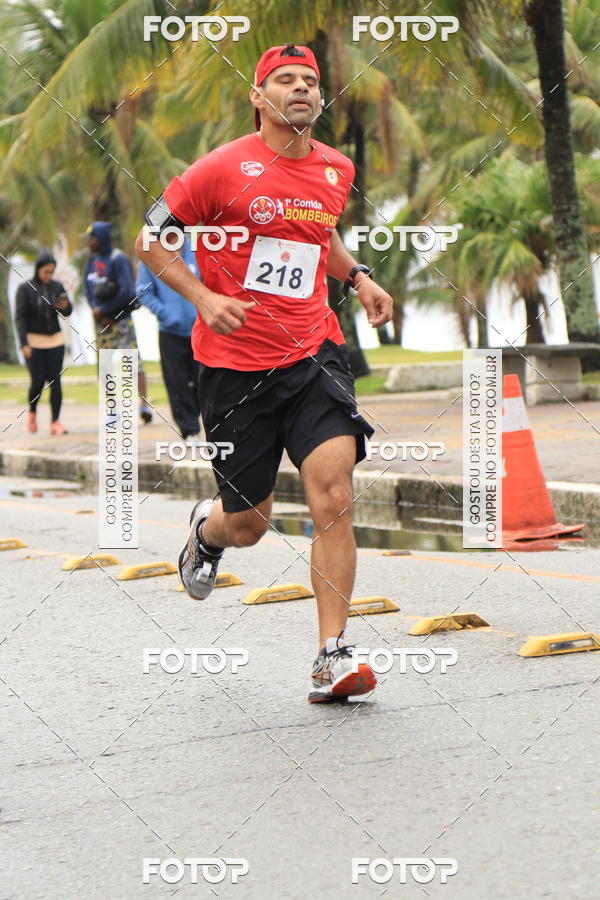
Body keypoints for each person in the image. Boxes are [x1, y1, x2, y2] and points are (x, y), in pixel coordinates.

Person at [135, 43, 393, 704]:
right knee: (248, 522)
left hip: (314, 355)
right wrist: (203, 298)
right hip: (234, 370)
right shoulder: (219, 169)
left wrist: (358, 278)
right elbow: (151, 240)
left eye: (310, 80)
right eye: (284, 80)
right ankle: (207, 532)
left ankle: (331, 655)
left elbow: (319, 235)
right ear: (258, 96)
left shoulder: (335, 167)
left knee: (333, 495)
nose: (301, 88)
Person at [83, 221, 153, 423]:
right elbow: (87, 290)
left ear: (102, 238)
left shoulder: (118, 259)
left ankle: (144, 406)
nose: (89, 242)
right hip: (101, 324)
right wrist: (96, 311)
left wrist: (105, 310)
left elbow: (126, 291)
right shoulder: (91, 261)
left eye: (92, 238)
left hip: (121, 321)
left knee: (133, 363)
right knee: (105, 367)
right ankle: (113, 410)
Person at [136, 237, 202, 439]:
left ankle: (205, 423)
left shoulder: (198, 250)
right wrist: (165, 313)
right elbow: (143, 292)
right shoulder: (152, 255)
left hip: (201, 331)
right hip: (170, 332)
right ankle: (190, 431)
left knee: (204, 380)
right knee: (177, 384)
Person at [15, 247, 72, 435]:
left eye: (51, 272)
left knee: (56, 381)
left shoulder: (57, 287)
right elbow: (20, 318)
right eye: (46, 271)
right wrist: (24, 343)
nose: (49, 275)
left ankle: (55, 422)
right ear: (38, 268)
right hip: (34, 342)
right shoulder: (25, 289)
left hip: (55, 340)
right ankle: (32, 411)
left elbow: (67, 311)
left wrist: (64, 307)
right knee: (38, 381)